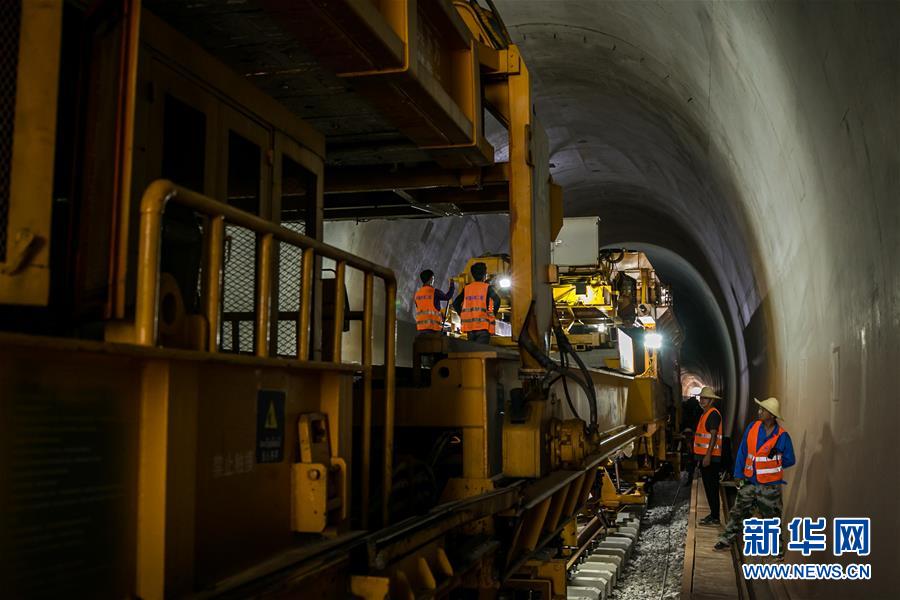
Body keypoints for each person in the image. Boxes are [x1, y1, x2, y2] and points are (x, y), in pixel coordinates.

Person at [714, 397, 796, 557]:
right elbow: (743, 452)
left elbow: (789, 459)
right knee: (738, 511)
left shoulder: (781, 436)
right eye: (760, 409)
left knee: (771, 516)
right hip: (750, 482)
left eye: (763, 410)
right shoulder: (753, 427)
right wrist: (738, 473)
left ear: (772, 415)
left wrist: (774, 464)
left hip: (769, 486)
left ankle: (777, 549)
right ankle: (726, 540)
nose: (759, 411)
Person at [693, 387, 723, 526]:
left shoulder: (712, 414)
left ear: (711, 400)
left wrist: (707, 456)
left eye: (705, 398)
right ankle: (713, 514)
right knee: (709, 488)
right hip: (706, 457)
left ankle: (715, 517)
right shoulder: (705, 414)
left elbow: (713, 436)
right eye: (701, 398)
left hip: (711, 458)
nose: (702, 400)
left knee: (712, 487)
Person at [452, 262, 501, 345]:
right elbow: (497, 300)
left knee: (473, 353)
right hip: (483, 328)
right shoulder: (486, 287)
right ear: (484, 274)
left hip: (470, 329)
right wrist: (492, 315)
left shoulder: (467, 288)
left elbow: (455, 303)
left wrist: (463, 315)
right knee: (481, 353)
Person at [414, 270, 454, 335]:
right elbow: (448, 297)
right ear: (431, 278)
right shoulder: (434, 292)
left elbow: (425, 308)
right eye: (433, 278)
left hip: (421, 328)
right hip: (433, 328)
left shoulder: (417, 294)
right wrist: (452, 284)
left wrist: (440, 314)